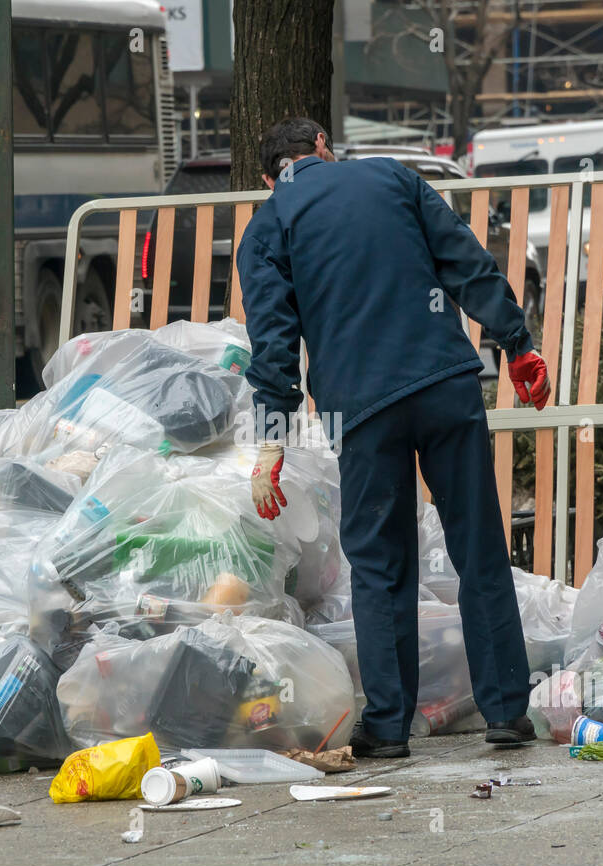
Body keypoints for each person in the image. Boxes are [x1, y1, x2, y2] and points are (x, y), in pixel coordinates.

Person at [237, 117, 552, 758]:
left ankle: (386, 727)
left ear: (269, 177)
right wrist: (516, 343)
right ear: (323, 145)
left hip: (360, 410)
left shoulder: (269, 226)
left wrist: (271, 444)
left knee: (379, 566)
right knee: (479, 547)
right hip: (445, 385)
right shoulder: (391, 176)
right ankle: (506, 713)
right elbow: (466, 261)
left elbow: (273, 348)